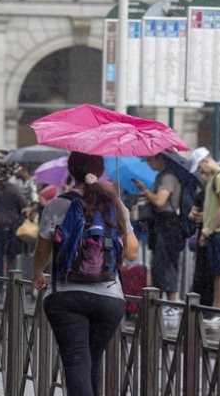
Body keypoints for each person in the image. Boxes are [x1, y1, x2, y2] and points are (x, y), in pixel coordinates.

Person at [31, 152, 138, 396]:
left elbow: (42, 251)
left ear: (71, 170)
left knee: (77, 360)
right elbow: (132, 252)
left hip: (66, 296)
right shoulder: (115, 204)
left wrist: (37, 272)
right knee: (92, 358)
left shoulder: (57, 204)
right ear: (100, 172)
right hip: (110, 298)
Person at [133, 153, 184, 311]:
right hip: (160, 225)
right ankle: (163, 303)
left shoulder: (168, 177)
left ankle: (171, 305)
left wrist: (145, 190)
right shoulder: (161, 177)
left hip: (168, 225)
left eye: (150, 160)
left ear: (159, 159)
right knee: (159, 265)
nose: (148, 163)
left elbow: (160, 201)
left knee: (167, 264)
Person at [189, 147, 220, 321]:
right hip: (214, 230)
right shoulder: (215, 178)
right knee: (217, 271)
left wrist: (209, 228)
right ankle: (216, 308)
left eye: (200, 168)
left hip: (219, 230)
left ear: (205, 161)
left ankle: (219, 311)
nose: (201, 172)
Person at [0, 180, 26, 279]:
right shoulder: (13, 188)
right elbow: (22, 206)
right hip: (10, 226)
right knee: (10, 256)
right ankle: (10, 281)